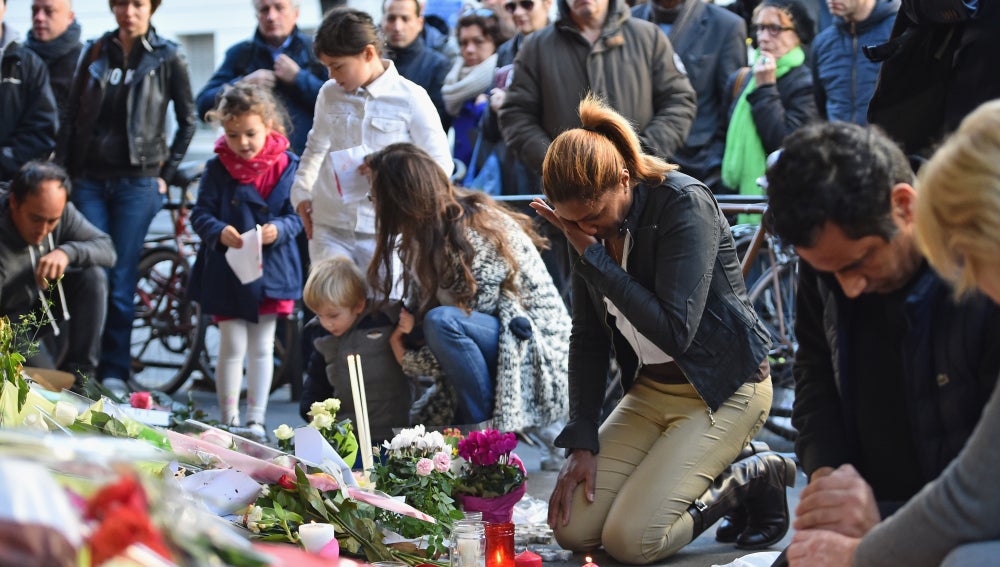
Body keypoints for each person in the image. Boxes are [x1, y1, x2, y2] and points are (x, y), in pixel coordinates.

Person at [532, 96, 792, 564]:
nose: (584, 231)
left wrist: (593, 257)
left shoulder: (683, 203)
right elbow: (588, 336)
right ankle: (696, 465)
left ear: (624, 181)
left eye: (593, 219)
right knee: (573, 531)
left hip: (725, 388)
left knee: (632, 542)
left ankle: (753, 473)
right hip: (651, 391)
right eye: (571, 222)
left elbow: (675, 331)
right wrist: (583, 437)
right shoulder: (583, 227)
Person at [785, 100, 1000, 567]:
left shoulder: (967, 266)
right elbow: (814, 369)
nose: (851, 287)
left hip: (946, 519)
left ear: (905, 206)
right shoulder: (826, 258)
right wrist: (830, 478)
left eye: (857, 263)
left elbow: (975, 496)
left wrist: (870, 546)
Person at [364, 142, 571, 435]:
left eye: (375, 194)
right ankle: (479, 436)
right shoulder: (415, 239)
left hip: (537, 350)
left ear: (400, 197)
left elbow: (458, 328)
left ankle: (485, 438)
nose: (372, 202)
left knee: (443, 322)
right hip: (492, 342)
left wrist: (409, 355)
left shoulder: (473, 229)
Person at [57, 0, 196, 393]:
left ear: (151, 8)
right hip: (90, 180)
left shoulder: (169, 56)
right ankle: (81, 367)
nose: (128, 11)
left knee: (120, 275)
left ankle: (114, 370)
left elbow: (188, 121)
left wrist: (164, 176)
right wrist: (65, 175)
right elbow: (71, 118)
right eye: (120, 3)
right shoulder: (95, 50)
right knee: (90, 268)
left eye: (137, 4)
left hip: (138, 181)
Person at [290, 7, 452, 267]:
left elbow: (440, 165)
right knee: (332, 305)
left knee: (384, 306)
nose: (331, 75)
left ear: (368, 53)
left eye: (338, 66)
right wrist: (301, 194)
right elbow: (315, 148)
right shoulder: (328, 93)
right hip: (329, 225)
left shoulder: (412, 97)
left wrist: (392, 172)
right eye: (327, 67)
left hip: (387, 230)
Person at [188, 83, 303, 441]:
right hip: (228, 269)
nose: (243, 143)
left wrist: (278, 229)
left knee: (263, 345)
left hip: (272, 268)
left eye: (250, 133)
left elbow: (297, 214)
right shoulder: (217, 167)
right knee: (231, 345)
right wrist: (219, 230)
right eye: (233, 135)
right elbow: (200, 213)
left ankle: (255, 417)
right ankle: (227, 418)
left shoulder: (287, 165)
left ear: (269, 124)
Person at [499, 0, 696, 175]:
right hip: (568, 195)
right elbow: (516, 115)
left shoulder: (648, 36)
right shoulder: (536, 46)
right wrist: (558, 164)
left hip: (641, 186)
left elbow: (678, 101)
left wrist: (639, 154)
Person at [0, 161, 115, 383]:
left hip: (38, 308)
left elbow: (106, 248)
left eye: (52, 221)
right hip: (7, 326)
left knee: (92, 276)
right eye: (35, 219)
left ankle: (83, 377)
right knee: (50, 387)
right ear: (14, 202)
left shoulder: (61, 214)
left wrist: (67, 252)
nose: (43, 231)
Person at [632, 0, 748, 190]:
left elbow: (731, 109)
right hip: (638, 162)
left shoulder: (726, 26)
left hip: (698, 166)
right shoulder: (629, 20)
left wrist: (714, 165)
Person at [299, 256, 413, 445]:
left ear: (358, 305)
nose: (327, 323)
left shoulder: (385, 319)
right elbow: (316, 382)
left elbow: (417, 353)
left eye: (333, 315)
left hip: (397, 431)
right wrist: (312, 414)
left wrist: (406, 328)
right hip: (350, 436)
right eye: (319, 315)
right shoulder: (321, 336)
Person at [195, 0, 328, 155]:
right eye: (264, 9)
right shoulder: (240, 54)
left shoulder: (316, 51)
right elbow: (203, 104)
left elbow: (340, 102)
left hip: (309, 161)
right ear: (256, 15)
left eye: (279, 8)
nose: (271, 16)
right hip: (255, 165)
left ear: (296, 13)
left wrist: (299, 78)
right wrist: (243, 84)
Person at [721, 0, 818, 200]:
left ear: (797, 35)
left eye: (775, 29)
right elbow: (720, 134)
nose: (764, 38)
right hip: (734, 199)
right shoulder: (743, 78)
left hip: (781, 199)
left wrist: (765, 88)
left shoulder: (806, 84)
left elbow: (786, 144)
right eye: (760, 28)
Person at [472, 0, 552, 196]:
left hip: (550, 165)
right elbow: (489, 128)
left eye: (527, 4)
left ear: (548, 3)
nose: (518, 12)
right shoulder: (506, 51)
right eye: (511, 6)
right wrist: (493, 107)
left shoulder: (563, 47)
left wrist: (511, 103)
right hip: (509, 171)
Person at [810, 0, 897, 125]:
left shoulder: (898, 34)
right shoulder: (822, 43)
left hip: (890, 141)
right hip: (838, 141)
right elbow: (821, 106)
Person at [0, 0, 58, 184]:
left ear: (4, 6)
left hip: (9, 184)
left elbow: (41, 130)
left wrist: (5, 160)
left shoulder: (29, 64)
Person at [442, 9, 505, 171]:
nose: (469, 49)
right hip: (461, 174)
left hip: (491, 176)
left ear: (495, 43)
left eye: (478, 41)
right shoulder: (454, 78)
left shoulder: (503, 79)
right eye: (464, 43)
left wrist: (484, 109)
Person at [382, 0, 453, 129]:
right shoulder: (372, 63)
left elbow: (437, 124)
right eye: (391, 18)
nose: (397, 27)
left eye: (405, 19)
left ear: (419, 23)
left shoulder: (438, 65)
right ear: (383, 22)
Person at [24, 0, 83, 113]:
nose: (39, 17)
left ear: (70, 17)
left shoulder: (86, 62)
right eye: (34, 11)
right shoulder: (16, 61)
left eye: (49, 11)